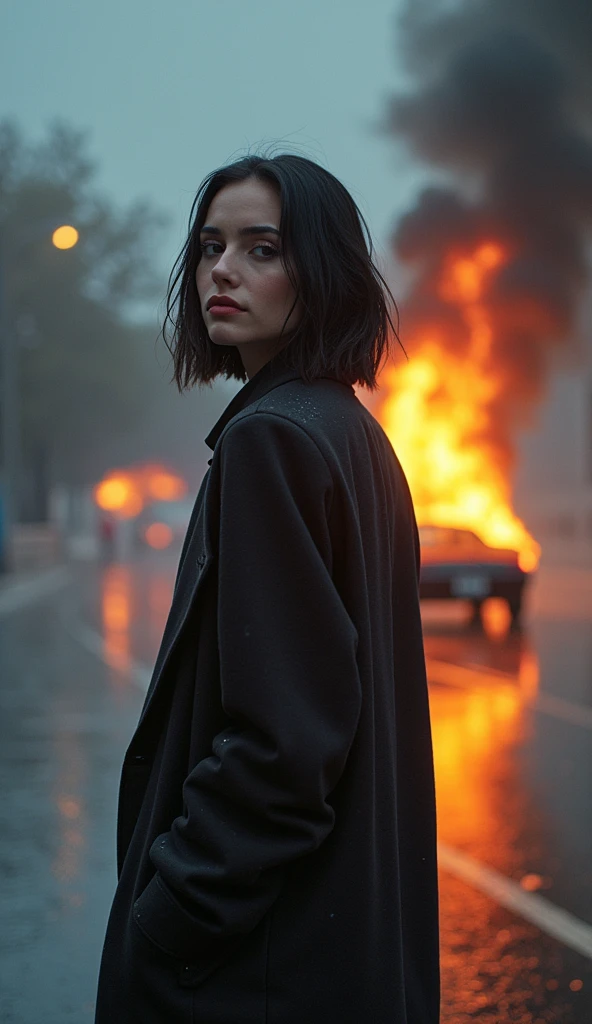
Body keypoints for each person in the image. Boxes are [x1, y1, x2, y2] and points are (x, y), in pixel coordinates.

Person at [95, 153, 439, 1024]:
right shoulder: (351, 434)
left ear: (319, 272)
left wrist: (170, 918)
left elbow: (285, 746)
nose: (223, 269)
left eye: (262, 249)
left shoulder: (271, 443)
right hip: (337, 955)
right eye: (212, 246)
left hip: (259, 975)